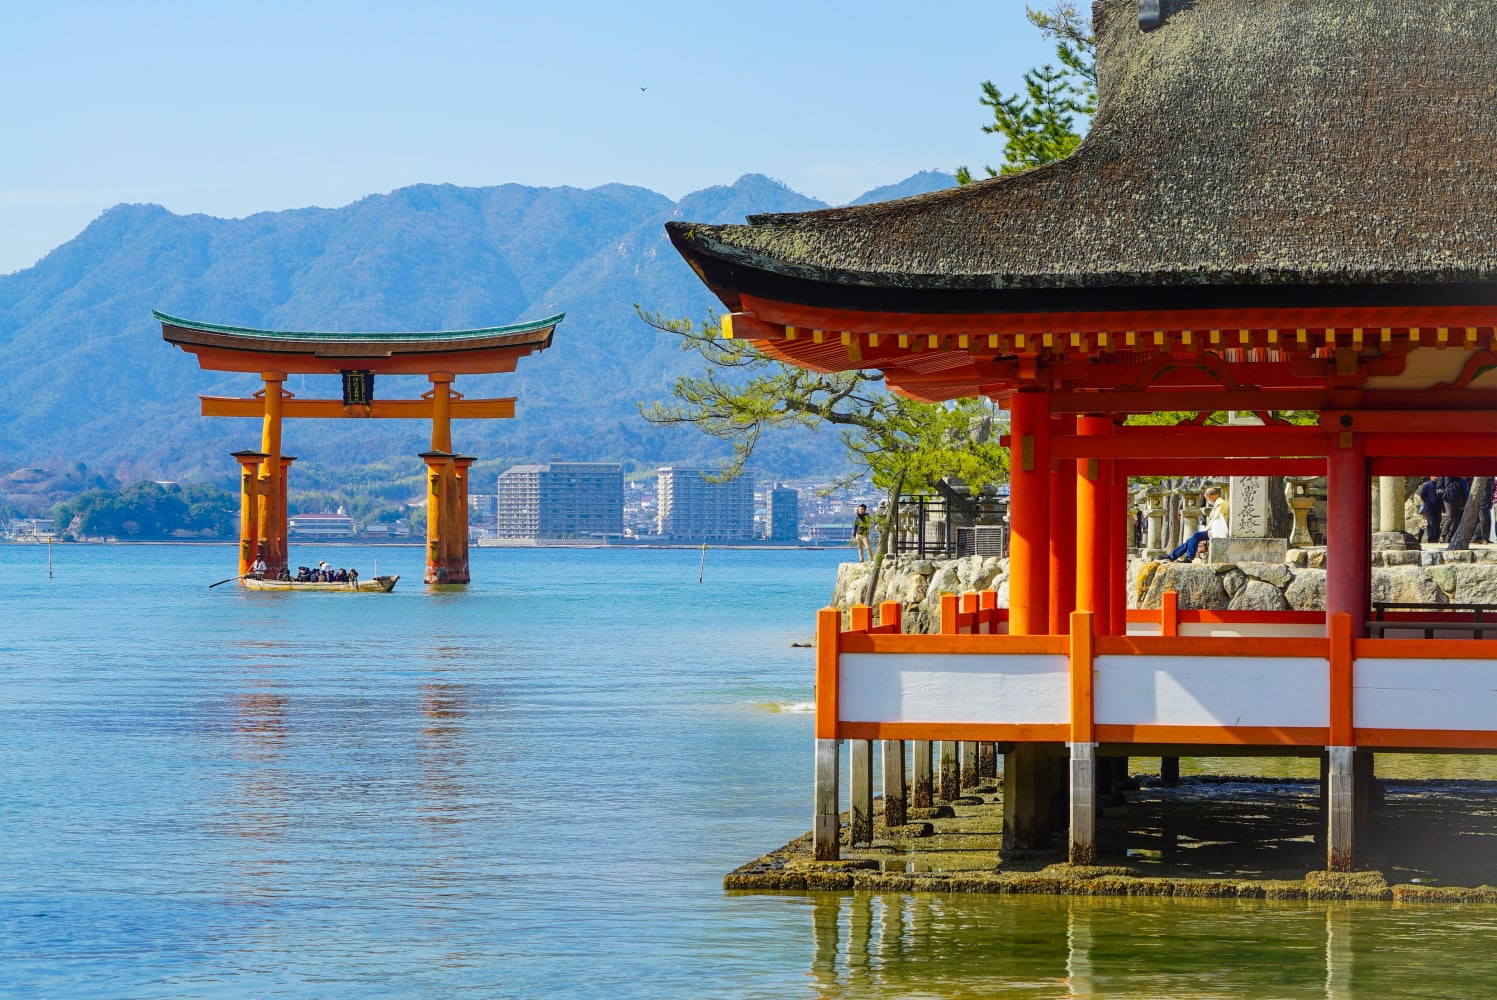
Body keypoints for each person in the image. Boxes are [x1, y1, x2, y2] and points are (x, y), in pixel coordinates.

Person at [1167, 486, 1227, 562]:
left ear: (1211, 496)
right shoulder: (1218, 504)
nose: (1208, 500)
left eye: (1208, 498)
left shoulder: (1221, 504)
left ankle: (1188, 557)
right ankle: (1171, 556)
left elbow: (1215, 519)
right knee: (1190, 540)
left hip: (1219, 531)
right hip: (1214, 530)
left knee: (1196, 535)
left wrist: (1205, 529)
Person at [1418, 476, 1441, 545]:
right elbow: (1423, 495)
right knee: (1431, 523)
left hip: (1438, 507)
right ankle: (1431, 538)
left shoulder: (1439, 485)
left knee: (1437, 523)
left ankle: (1436, 538)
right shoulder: (1427, 485)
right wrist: (1428, 502)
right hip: (1429, 507)